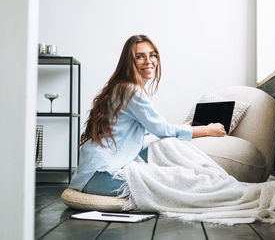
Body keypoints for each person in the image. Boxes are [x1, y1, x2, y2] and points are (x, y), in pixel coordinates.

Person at [69, 35, 226, 196]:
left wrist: (182, 128)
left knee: (172, 179)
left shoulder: (122, 87)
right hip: (100, 176)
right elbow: (161, 129)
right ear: (128, 62)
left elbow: (150, 130)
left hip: (96, 172)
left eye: (152, 55)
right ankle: (221, 188)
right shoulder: (130, 90)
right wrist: (207, 130)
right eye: (139, 57)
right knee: (173, 188)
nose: (149, 61)